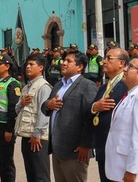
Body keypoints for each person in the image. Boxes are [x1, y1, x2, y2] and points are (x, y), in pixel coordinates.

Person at [41, 50, 97, 182]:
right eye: (63, 60)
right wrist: (49, 104)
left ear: (80, 67)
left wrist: (86, 145)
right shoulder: (59, 85)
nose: (63, 63)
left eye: (69, 61)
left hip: (75, 151)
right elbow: (45, 106)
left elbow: (91, 118)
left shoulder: (87, 86)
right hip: (57, 148)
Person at [105, 55, 138, 182]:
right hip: (119, 169)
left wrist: (132, 170)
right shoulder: (131, 94)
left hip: (132, 173)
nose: (125, 69)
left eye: (130, 67)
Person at [90, 47, 129, 182]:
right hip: (103, 147)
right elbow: (91, 108)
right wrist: (95, 107)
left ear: (121, 63)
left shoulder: (126, 85)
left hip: (117, 149)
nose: (104, 62)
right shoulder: (104, 87)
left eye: (109, 58)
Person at [14, 53, 51, 182]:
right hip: (26, 135)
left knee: (40, 174)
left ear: (41, 68)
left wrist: (37, 134)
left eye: (31, 64)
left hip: (38, 138)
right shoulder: (26, 87)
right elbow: (17, 109)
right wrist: (21, 103)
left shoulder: (43, 86)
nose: (28, 67)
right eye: (27, 65)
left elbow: (44, 113)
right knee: (31, 174)